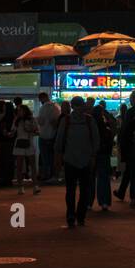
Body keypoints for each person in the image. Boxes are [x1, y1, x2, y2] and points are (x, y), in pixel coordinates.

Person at [54, 96, 100, 228]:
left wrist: (58, 156)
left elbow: (59, 140)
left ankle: (71, 216)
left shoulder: (67, 121)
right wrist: (93, 155)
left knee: (71, 190)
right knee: (84, 190)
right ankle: (80, 216)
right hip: (85, 160)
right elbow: (96, 140)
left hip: (70, 160)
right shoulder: (89, 121)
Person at [91, 102, 117, 211]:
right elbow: (113, 130)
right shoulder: (105, 126)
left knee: (90, 178)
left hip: (92, 154)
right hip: (104, 153)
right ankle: (104, 202)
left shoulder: (91, 123)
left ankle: (88, 202)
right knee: (104, 178)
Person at [12, 102, 40, 194]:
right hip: (23, 143)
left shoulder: (32, 119)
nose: (19, 112)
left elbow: (37, 131)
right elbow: (13, 131)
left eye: (21, 110)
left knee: (32, 165)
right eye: (18, 111)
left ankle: (35, 185)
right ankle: (21, 186)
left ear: (25, 111)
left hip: (26, 142)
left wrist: (32, 130)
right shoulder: (17, 120)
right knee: (20, 166)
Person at [36, 93, 61, 182]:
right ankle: (53, 175)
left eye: (40, 99)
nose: (40, 101)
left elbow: (41, 121)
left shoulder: (43, 108)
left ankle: (46, 175)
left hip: (44, 135)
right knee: (53, 157)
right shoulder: (57, 107)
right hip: (54, 136)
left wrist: (37, 120)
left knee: (45, 157)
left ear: (43, 98)